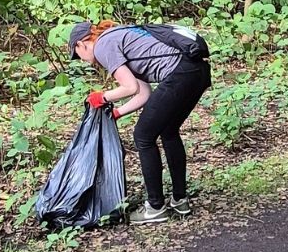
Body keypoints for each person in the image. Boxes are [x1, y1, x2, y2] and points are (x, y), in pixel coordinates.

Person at [68, 20, 211, 225]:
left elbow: (129, 87)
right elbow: (143, 92)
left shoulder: (103, 45)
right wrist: (118, 112)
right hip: (198, 71)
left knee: (143, 136)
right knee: (169, 131)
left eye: (77, 55)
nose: (81, 60)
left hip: (181, 73)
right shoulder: (120, 36)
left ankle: (155, 207)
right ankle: (180, 200)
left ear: (81, 43)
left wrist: (103, 97)